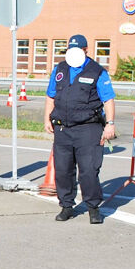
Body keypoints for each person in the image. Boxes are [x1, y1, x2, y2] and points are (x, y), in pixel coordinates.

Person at [43, 34, 116, 224]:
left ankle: (93, 208)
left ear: (85, 51)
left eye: (77, 50)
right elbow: (51, 96)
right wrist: (47, 119)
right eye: (70, 50)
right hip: (63, 129)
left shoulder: (97, 71)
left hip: (88, 128)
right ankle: (66, 206)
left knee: (89, 170)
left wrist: (110, 123)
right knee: (63, 170)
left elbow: (108, 99)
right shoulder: (60, 69)